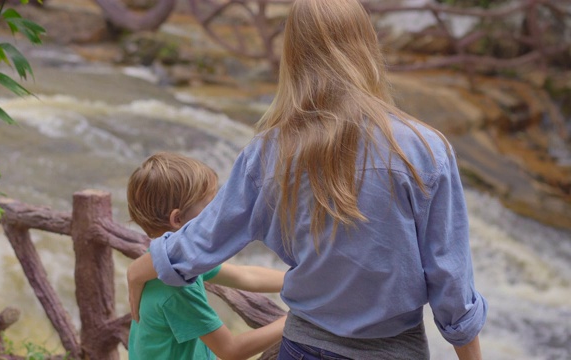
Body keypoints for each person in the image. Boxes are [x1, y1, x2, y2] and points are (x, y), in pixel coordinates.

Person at [128, 0, 487, 359]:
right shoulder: (423, 149)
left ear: (293, 54)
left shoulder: (268, 153)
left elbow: (205, 239)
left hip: (303, 348)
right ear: (366, 44)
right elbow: (449, 279)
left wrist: (137, 272)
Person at [126, 152, 286, 360]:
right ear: (178, 219)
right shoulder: (176, 287)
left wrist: (301, 281)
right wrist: (296, 318)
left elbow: (243, 276)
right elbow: (231, 350)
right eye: (210, 206)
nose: (217, 214)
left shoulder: (170, 261)